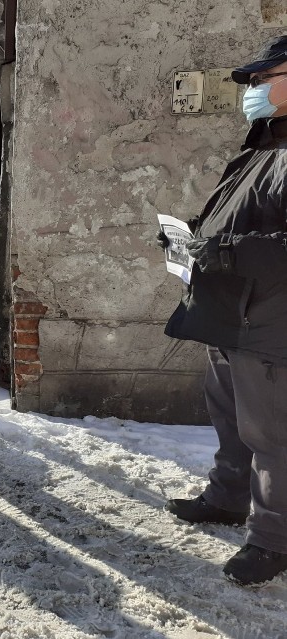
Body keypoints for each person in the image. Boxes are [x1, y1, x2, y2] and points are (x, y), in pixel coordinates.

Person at [162, 35, 287, 586]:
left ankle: (273, 540)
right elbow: (239, 214)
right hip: (226, 308)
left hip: (268, 319)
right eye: (252, 82)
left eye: (264, 79)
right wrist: (192, 235)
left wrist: (229, 249)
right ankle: (228, 498)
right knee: (229, 418)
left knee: (271, 435)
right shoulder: (262, 140)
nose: (253, 90)